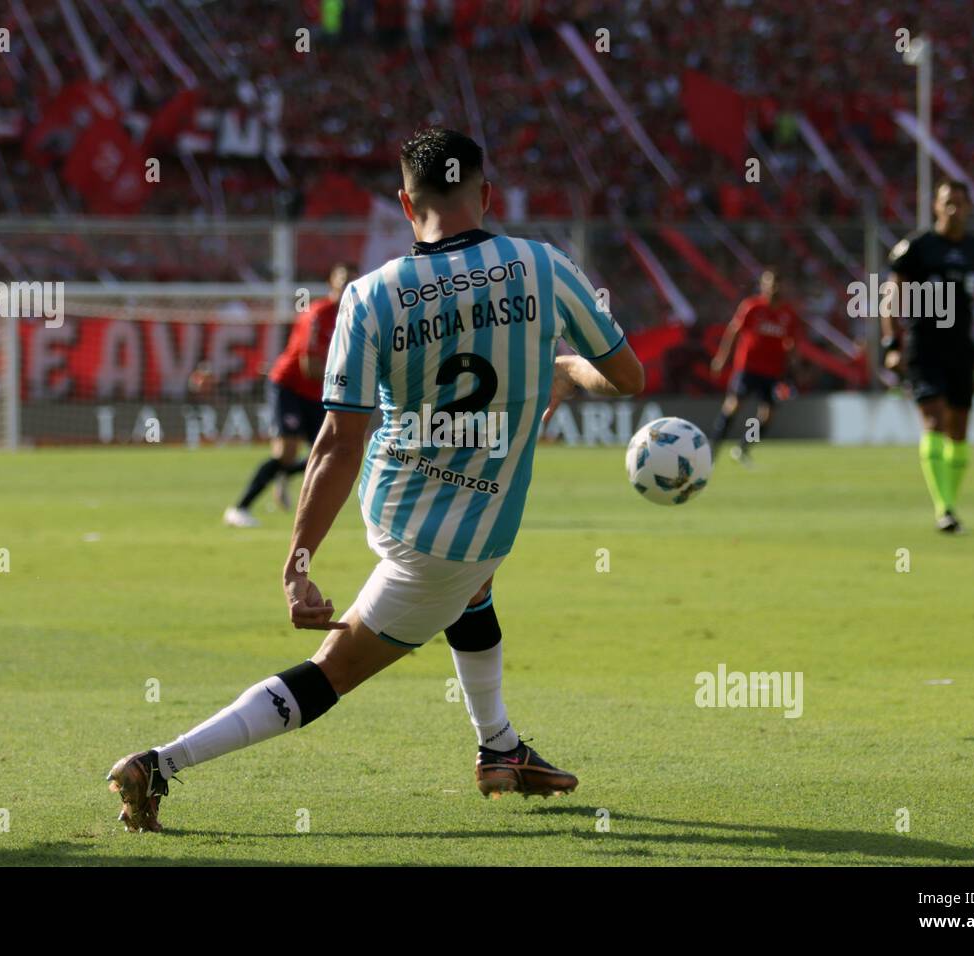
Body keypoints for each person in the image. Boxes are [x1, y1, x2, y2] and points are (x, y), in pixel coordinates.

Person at [108, 127, 644, 831]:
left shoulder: (369, 296)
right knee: (334, 670)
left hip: (397, 507)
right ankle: (158, 763)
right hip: (455, 540)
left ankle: (500, 749)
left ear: (403, 202)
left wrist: (298, 561)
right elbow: (628, 378)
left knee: (473, 592)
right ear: (486, 194)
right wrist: (567, 371)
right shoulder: (545, 267)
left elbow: (337, 442)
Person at [882, 180, 974, 533]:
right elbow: (891, 296)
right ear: (935, 206)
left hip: (961, 349)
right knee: (934, 420)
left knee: (959, 431)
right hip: (924, 346)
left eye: (960, 203)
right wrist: (892, 344)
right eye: (947, 202)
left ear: (969, 207)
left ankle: (950, 503)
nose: (954, 208)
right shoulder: (918, 248)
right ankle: (945, 509)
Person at [224, 263, 354, 527]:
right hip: (290, 387)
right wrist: (353, 382)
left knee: (331, 452)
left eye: (353, 283)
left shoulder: (355, 316)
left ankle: (283, 474)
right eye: (343, 281)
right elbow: (310, 367)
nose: (347, 288)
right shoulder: (317, 314)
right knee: (287, 452)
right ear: (331, 282)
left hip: (317, 392)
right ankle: (239, 509)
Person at [708, 268, 802, 465]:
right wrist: (722, 357)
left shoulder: (788, 314)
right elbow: (733, 332)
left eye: (777, 283)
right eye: (769, 283)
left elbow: (792, 342)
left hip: (773, 371)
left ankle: (742, 447)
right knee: (733, 405)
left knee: (766, 416)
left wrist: (794, 365)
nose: (773, 287)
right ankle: (712, 449)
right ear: (763, 285)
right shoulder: (752, 307)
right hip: (748, 368)